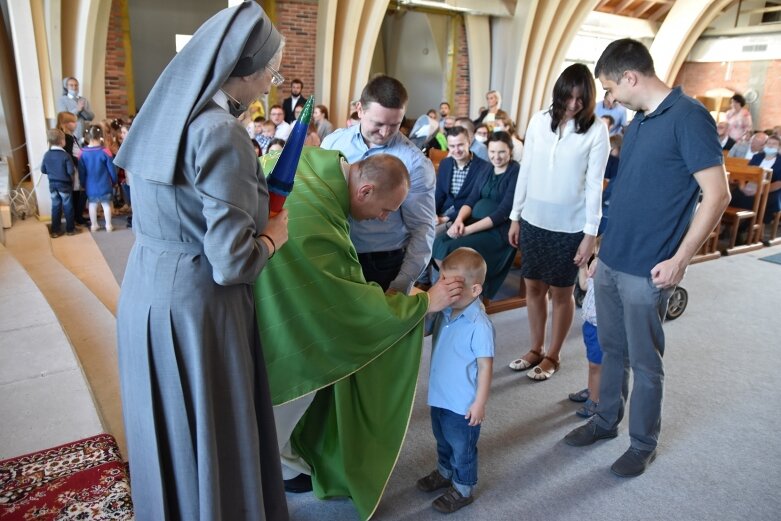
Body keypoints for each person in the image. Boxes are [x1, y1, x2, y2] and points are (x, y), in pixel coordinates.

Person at [114, 3, 290, 519]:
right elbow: (232, 262)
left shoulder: (165, 113)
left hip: (144, 293)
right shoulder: (220, 132)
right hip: (197, 309)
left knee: (166, 428)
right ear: (248, 70)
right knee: (211, 430)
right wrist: (274, 237)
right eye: (271, 75)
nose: (270, 87)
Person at [254, 150, 464, 520]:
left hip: (258, 293)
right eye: (385, 210)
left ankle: (283, 457)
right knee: (299, 373)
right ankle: (273, 465)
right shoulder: (318, 224)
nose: (384, 218)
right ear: (365, 190)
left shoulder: (312, 160)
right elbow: (345, 302)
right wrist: (422, 305)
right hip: (280, 319)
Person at [563, 39, 730, 479]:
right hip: (615, 257)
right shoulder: (638, 121)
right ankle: (604, 422)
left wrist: (680, 260)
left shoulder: (691, 118)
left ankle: (643, 444)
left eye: (610, 89)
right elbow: (625, 192)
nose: (610, 99)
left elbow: (717, 195)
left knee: (645, 361)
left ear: (630, 78)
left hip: (651, 267)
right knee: (612, 349)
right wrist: (601, 246)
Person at [508, 63, 609, 381]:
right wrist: (515, 216)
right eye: (569, 96)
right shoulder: (538, 121)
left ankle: (553, 354)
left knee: (561, 292)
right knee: (534, 288)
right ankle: (535, 348)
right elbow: (525, 170)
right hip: (534, 220)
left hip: (570, 226)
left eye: (581, 98)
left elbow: (595, 184)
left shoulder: (596, 130)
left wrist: (590, 234)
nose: (574, 104)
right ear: (559, 93)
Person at [321, 75, 436, 293]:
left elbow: (422, 228)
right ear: (360, 110)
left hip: (380, 263)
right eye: (378, 123)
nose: (384, 133)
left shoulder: (415, 163)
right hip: (333, 252)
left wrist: (402, 284)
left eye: (394, 125)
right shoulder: (333, 142)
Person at [416, 247, 494, 514]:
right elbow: (424, 330)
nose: (445, 292)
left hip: (463, 405)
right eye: (442, 283)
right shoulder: (445, 312)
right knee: (442, 439)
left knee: (462, 447)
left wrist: (479, 403)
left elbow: (485, 367)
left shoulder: (479, 325)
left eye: (453, 287)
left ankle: (463, 487)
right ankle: (444, 471)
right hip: (440, 395)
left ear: (475, 290)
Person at [433, 131, 520, 299]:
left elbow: (502, 213)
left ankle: (465, 294)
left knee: (451, 248)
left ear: (510, 150)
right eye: (492, 152)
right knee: (439, 243)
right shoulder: (487, 168)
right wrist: (459, 221)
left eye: (501, 151)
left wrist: (467, 230)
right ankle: (455, 290)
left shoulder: (515, 171)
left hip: (498, 231)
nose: (496, 156)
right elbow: (472, 199)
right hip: (473, 222)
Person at [435, 126, 491, 225]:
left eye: (460, 145)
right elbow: (439, 193)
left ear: (469, 142)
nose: (456, 150)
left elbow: (477, 201)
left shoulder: (484, 168)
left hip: (465, 218)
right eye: (452, 146)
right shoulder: (445, 163)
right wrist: (433, 213)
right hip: (441, 213)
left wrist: (446, 219)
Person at [567, 258, 601, 418]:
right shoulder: (597, 267)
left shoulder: (613, 275)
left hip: (602, 327)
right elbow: (585, 285)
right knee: (592, 363)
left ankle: (595, 400)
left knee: (597, 365)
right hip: (589, 325)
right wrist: (583, 266)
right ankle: (592, 390)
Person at [732, 134, 781, 223]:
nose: (770, 145)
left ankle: (743, 228)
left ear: (779, 147)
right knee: (734, 194)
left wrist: (761, 190)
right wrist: (742, 186)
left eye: (774, 144)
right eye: (768, 143)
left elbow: (779, 183)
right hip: (750, 186)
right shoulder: (757, 157)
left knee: (754, 200)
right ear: (765, 145)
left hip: (769, 190)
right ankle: (729, 224)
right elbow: (745, 174)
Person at [78, 125, 117, 232]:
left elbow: (81, 172)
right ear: (101, 136)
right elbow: (112, 170)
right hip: (105, 184)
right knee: (106, 204)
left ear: (86, 136)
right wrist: (114, 181)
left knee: (92, 205)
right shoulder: (106, 151)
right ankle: (108, 225)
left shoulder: (82, 152)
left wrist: (82, 183)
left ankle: (94, 225)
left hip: (90, 185)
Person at [41, 129, 76, 237]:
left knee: (55, 206)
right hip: (64, 184)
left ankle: (55, 230)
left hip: (52, 184)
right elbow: (71, 171)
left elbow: (43, 170)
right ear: (62, 141)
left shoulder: (47, 154)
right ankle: (70, 229)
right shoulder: (65, 156)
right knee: (68, 206)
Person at [56, 111, 88, 226]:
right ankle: (77, 216)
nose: (76, 124)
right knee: (78, 193)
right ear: (65, 124)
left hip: (76, 167)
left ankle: (78, 215)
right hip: (74, 169)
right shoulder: (67, 138)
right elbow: (69, 153)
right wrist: (78, 163)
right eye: (72, 122)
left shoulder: (71, 136)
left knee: (77, 193)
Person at [56, 77, 94, 142]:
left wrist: (83, 110)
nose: (74, 87)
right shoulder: (62, 100)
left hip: (83, 133)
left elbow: (91, 117)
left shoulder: (83, 100)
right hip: (70, 134)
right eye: (71, 85)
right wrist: (77, 109)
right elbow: (63, 117)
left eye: (76, 85)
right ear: (66, 87)